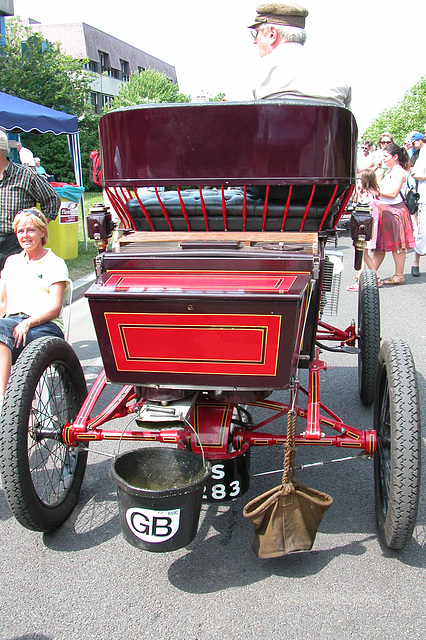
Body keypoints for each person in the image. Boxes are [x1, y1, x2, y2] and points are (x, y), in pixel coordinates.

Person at [0, 208, 70, 408]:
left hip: (45, 326)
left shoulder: (54, 263)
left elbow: (55, 308)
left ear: (42, 232)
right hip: (11, 327)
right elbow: (3, 303)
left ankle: (4, 407)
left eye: (30, 230)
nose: (25, 236)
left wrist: (28, 322)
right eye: (21, 231)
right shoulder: (11, 262)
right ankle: (14, 412)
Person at [249, 3, 351, 108]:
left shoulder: (256, 73)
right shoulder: (339, 74)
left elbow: (239, 120)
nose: (254, 41)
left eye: (256, 33)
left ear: (272, 34)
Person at [0, 130, 61, 270]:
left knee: (16, 289)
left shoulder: (25, 175)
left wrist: (37, 227)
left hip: (16, 243)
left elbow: (52, 200)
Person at [373, 143, 415, 285]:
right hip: (387, 211)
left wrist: (375, 191)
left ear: (395, 157)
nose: (383, 159)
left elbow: (393, 193)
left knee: (397, 247)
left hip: (395, 211)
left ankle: (399, 275)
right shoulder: (391, 171)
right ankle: (370, 272)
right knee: (380, 246)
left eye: (386, 156)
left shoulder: (398, 172)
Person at [347, 169, 381, 291]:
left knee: (362, 254)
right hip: (371, 227)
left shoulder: (366, 195)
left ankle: (370, 277)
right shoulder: (374, 193)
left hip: (365, 228)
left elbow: (359, 206)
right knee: (364, 255)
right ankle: (374, 276)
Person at [410, 133, 426, 276]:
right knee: (423, 232)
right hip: (425, 198)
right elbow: (416, 173)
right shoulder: (424, 152)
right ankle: (416, 262)